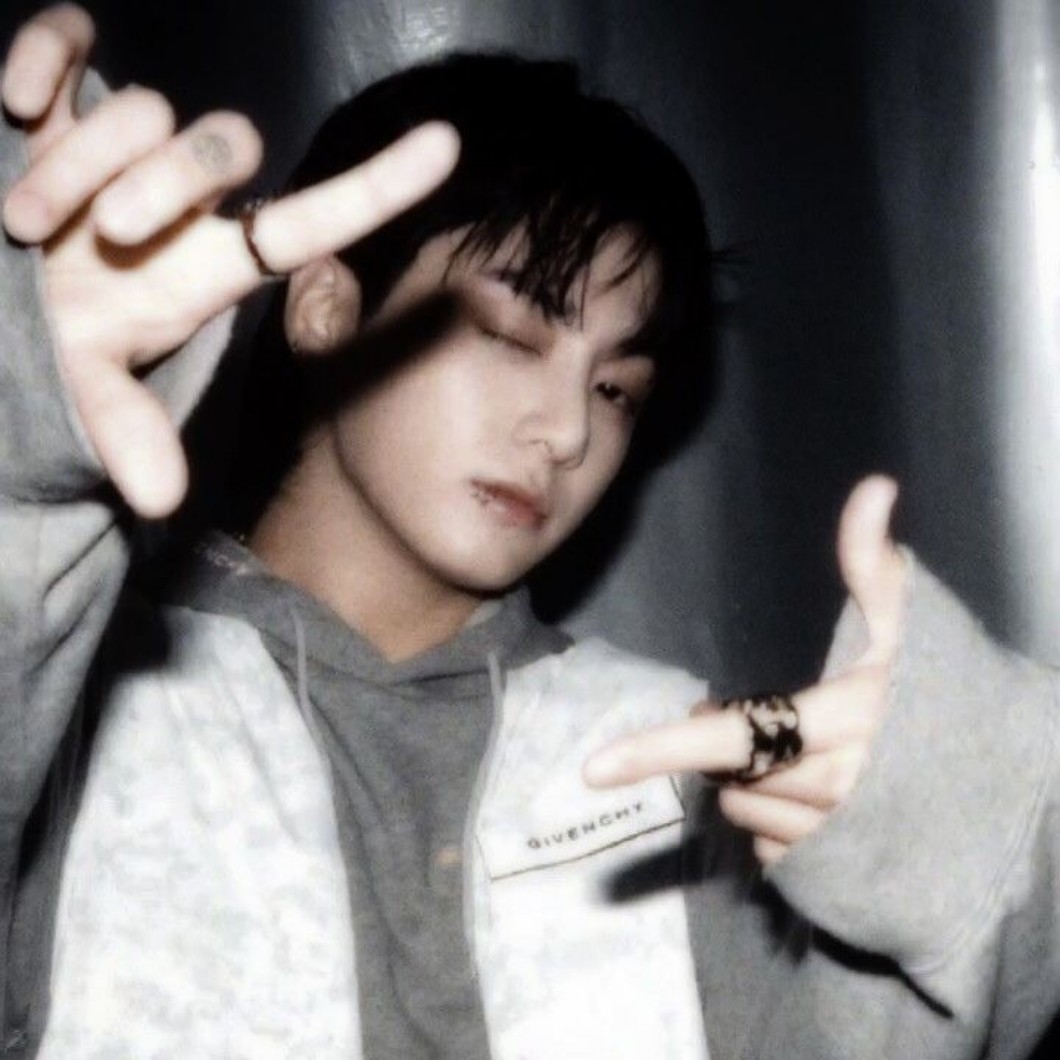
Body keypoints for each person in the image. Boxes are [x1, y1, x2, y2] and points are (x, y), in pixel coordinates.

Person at [0, 5, 1057, 1059]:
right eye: (510, 333)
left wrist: (966, 829)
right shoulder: (67, 706)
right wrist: (25, 407)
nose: (567, 431)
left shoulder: (668, 760)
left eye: (615, 388)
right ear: (324, 307)